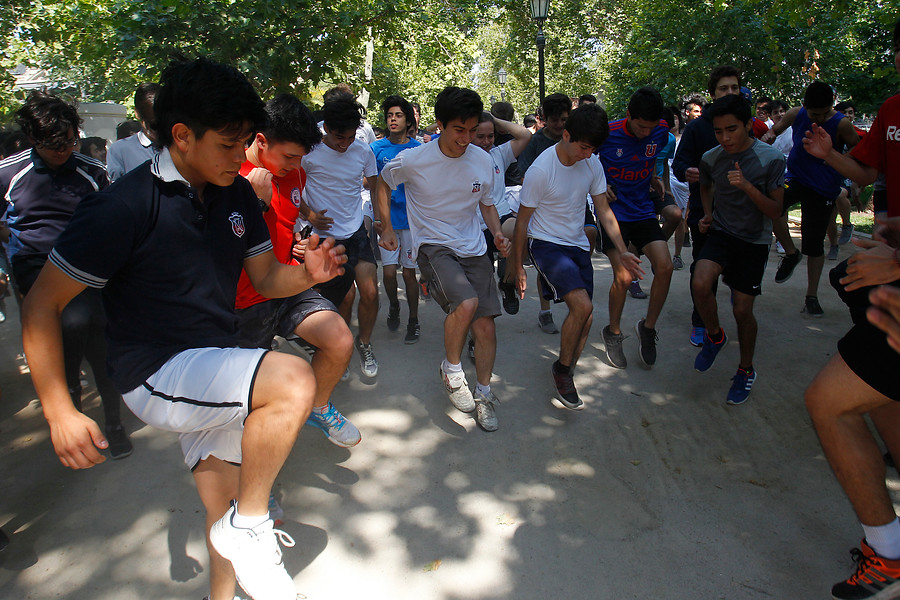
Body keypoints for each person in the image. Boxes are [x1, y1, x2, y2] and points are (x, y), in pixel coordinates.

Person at [20, 57, 347, 600]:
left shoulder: (236, 194)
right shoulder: (122, 207)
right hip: (153, 373)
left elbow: (266, 279)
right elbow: (39, 305)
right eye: (228, 144)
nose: (240, 156)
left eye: (245, 142)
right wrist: (59, 411)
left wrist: (308, 274)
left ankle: (232, 559)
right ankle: (253, 527)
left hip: (215, 365)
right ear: (181, 135)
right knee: (293, 380)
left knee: (225, 505)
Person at [800, 21, 900, 599]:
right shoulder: (892, 109)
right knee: (884, 399)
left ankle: (888, 556)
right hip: (886, 281)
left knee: (829, 403)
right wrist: (828, 155)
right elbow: (866, 172)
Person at [1, 90, 132, 460]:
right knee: (68, 329)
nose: (61, 152)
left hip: (85, 265)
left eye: (69, 143)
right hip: (34, 268)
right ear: (32, 138)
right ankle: (69, 411)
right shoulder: (9, 173)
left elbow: (113, 224)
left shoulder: (93, 172)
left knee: (98, 338)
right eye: (51, 146)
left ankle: (113, 422)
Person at [379, 86, 510, 432]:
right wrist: (386, 226)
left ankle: (484, 394)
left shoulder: (482, 160)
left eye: (472, 130)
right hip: (433, 245)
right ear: (440, 125)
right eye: (458, 130)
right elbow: (382, 183)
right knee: (466, 303)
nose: (466, 139)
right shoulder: (414, 159)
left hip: (473, 247)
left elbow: (487, 204)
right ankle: (452, 371)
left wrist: (497, 232)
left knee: (486, 327)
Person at [236, 93, 359, 448]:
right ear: (261, 141)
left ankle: (318, 406)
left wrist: (298, 242)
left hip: (287, 281)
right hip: (242, 300)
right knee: (248, 398)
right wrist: (256, 203)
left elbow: (287, 221)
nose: (295, 165)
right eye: (289, 156)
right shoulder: (229, 176)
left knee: (339, 339)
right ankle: (246, 462)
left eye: (300, 158)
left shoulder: (296, 174)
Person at [512, 103, 641, 409]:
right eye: (584, 147)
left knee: (586, 316)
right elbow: (522, 222)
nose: (588, 154)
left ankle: (567, 368)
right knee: (582, 306)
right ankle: (562, 371)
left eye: (593, 149)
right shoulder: (541, 170)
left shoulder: (592, 163)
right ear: (566, 135)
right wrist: (517, 267)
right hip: (545, 243)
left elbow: (604, 210)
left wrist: (623, 251)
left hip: (577, 243)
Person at [691, 94, 785, 404]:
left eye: (731, 129)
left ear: (748, 125)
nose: (725, 138)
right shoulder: (711, 157)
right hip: (721, 232)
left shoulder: (771, 159)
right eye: (718, 131)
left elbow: (775, 211)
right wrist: (708, 213)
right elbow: (705, 184)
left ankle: (746, 370)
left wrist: (746, 186)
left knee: (742, 310)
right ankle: (715, 335)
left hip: (754, 241)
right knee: (700, 282)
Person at [762, 80, 859, 316]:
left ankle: (812, 296)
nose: (819, 118)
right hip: (796, 178)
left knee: (814, 244)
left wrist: (851, 175)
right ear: (805, 105)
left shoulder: (842, 123)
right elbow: (774, 131)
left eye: (824, 113)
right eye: (815, 114)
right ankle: (791, 254)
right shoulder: (796, 113)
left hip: (823, 186)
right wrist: (768, 137)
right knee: (770, 206)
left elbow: (857, 151)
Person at [300, 96, 381, 378]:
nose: (344, 144)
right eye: (338, 138)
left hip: (356, 231)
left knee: (370, 292)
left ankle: (364, 343)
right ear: (326, 128)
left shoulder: (362, 150)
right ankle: (339, 350)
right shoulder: (308, 151)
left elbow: (375, 186)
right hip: (325, 237)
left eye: (350, 137)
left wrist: (382, 224)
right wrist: (309, 215)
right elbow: (289, 187)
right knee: (344, 298)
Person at [673, 65, 752, 347]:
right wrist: (689, 171)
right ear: (713, 93)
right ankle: (701, 322)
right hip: (705, 212)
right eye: (723, 88)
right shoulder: (697, 128)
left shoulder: (748, 123)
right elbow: (680, 164)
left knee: (739, 270)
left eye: (734, 87)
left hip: (742, 212)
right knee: (703, 270)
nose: (730, 92)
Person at [597, 86, 674, 369]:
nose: (646, 133)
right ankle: (613, 332)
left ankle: (648, 328)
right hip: (613, 212)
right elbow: (584, 160)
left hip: (642, 209)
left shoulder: (661, 130)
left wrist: (653, 176)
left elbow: (649, 155)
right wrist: (600, 185)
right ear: (629, 115)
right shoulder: (607, 133)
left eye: (651, 128)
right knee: (624, 277)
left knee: (665, 267)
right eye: (641, 127)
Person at [518, 92, 573, 334]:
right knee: (545, 262)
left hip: (572, 206)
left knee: (590, 234)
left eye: (564, 119)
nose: (559, 125)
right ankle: (545, 311)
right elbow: (524, 175)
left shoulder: (575, 138)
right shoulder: (535, 143)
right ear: (543, 120)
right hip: (544, 208)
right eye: (554, 120)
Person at [370, 95, 422, 343]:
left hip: (411, 221)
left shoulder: (418, 149)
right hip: (387, 221)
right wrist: (377, 216)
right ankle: (394, 304)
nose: (393, 119)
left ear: (408, 120)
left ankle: (413, 320)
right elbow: (372, 185)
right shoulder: (376, 148)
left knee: (410, 274)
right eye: (390, 115)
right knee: (389, 273)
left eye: (398, 115)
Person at [470, 110, 532, 315]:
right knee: (483, 281)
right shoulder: (461, 158)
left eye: (491, 136)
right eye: (480, 136)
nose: (486, 141)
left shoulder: (499, 154)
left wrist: (493, 119)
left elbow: (525, 135)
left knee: (521, 230)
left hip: (501, 215)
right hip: (474, 225)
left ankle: (507, 281)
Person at [106, 82, 160, 181]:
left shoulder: (179, 146)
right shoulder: (119, 150)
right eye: (152, 123)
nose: (157, 128)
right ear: (137, 114)